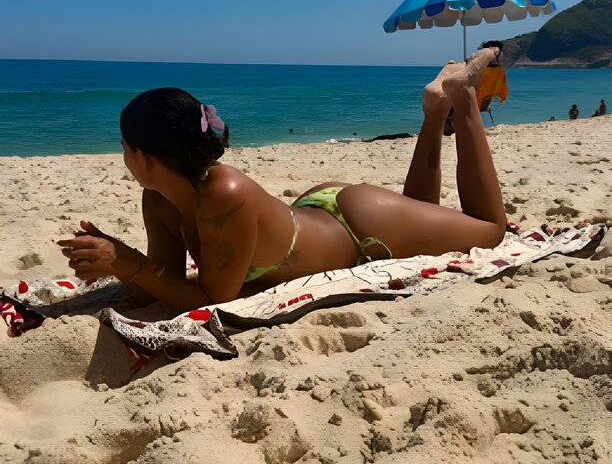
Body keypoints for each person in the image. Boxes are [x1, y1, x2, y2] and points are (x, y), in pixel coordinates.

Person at [58, 50, 507, 312]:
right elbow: (163, 284)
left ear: (141, 155)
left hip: (359, 225)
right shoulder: (158, 199)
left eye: (123, 146)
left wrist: (130, 263)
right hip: (320, 218)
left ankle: (464, 99)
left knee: (491, 229)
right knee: (426, 217)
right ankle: (434, 110)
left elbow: (211, 298)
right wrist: (115, 262)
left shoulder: (224, 192)